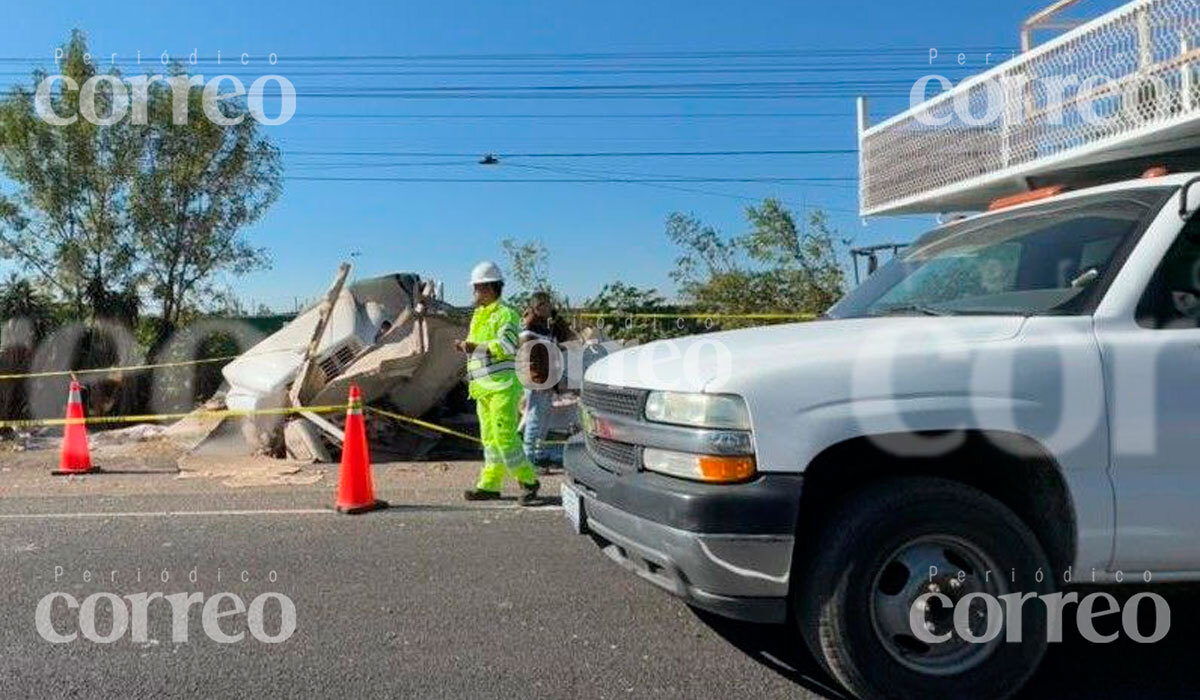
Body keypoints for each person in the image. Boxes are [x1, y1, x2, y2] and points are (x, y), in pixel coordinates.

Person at [455, 261, 541, 506]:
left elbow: (507, 346)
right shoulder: (479, 316)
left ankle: (529, 481)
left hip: (502, 387)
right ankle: (489, 485)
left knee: (505, 438)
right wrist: (466, 347)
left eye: (478, 289)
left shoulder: (506, 314)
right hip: (483, 387)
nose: (475, 294)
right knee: (490, 440)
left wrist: (474, 347)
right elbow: (476, 346)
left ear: (490, 289)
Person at [520, 291, 566, 473]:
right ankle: (528, 460)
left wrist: (555, 317)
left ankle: (538, 454)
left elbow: (565, 335)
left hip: (546, 380)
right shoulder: (529, 326)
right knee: (534, 420)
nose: (551, 307)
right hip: (537, 382)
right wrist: (541, 382)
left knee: (544, 420)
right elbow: (529, 357)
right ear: (539, 307)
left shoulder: (543, 326)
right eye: (548, 305)